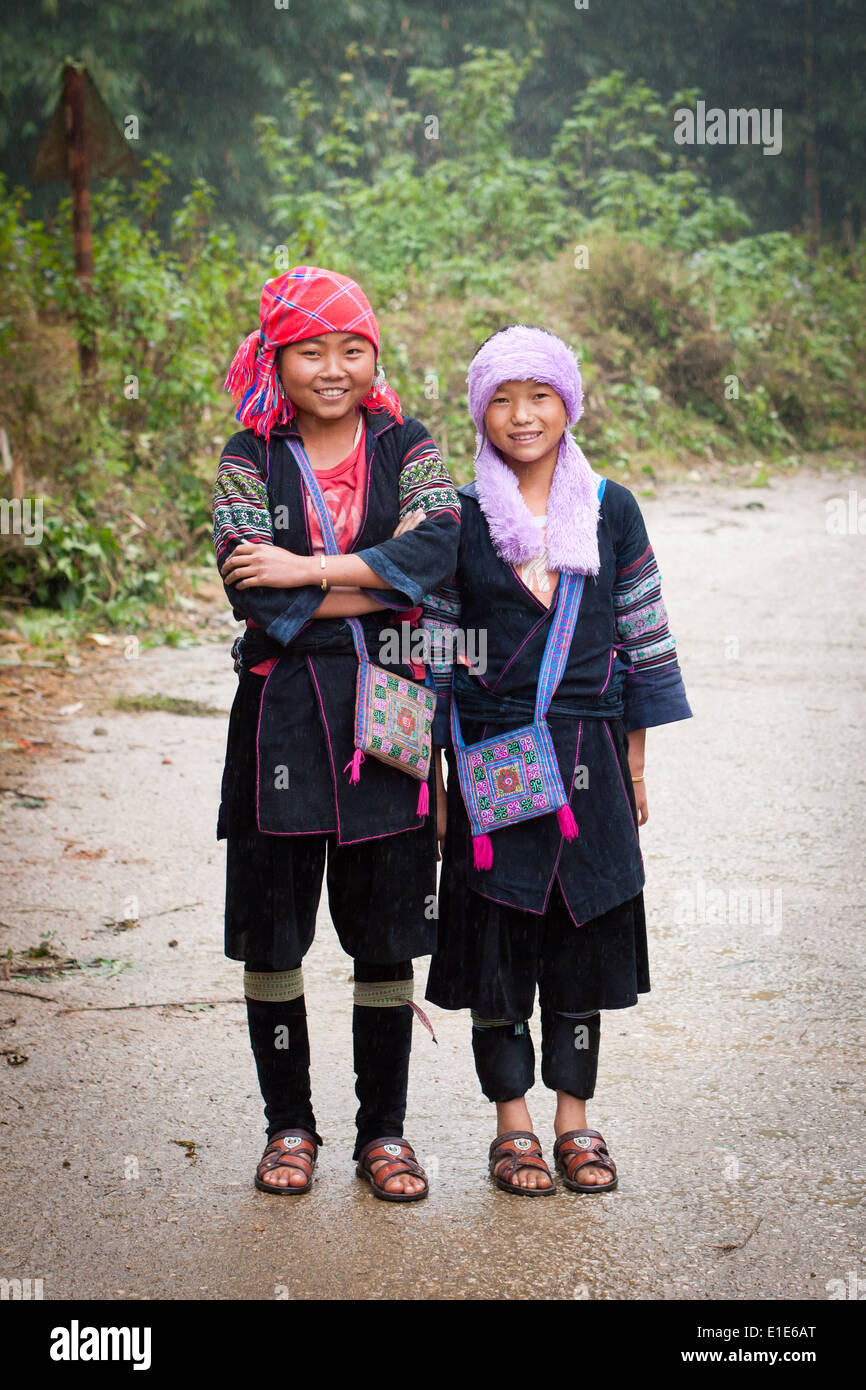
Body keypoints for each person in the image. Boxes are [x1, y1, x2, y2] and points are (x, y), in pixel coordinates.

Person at [425, 324, 691, 1196]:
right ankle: (513, 1128)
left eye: (540, 395)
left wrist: (637, 767)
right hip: (493, 754)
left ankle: (576, 1122)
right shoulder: (459, 516)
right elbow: (436, 644)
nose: (522, 415)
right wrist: (439, 775)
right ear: (480, 413)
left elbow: (642, 638)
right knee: (499, 940)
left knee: (583, 941)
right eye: (501, 398)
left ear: (568, 404)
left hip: (590, 757)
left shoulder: (612, 508)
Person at [214, 265, 459, 1201]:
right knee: (274, 939)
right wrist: (376, 585)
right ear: (278, 358)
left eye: (352, 348)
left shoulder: (409, 444)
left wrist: (308, 569)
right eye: (311, 349)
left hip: (390, 718)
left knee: (387, 933)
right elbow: (246, 580)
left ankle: (384, 1135)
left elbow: (439, 560)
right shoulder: (251, 453)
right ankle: (290, 1128)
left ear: (373, 358)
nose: (333, 367)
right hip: (281, 719)